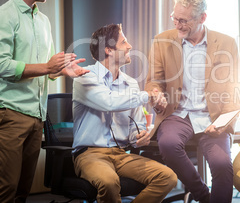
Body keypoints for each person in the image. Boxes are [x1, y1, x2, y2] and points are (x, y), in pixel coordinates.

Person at [0, 0, 89, 202]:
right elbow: (2, 65)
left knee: (22, 191)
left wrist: (63, 70)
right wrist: (48, 67)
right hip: (11, 114)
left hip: (36, 116)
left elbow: (48, 70)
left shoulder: (43, 21)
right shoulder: (5, 15)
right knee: (5, 188)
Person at [145, 0, 240, 203]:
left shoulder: (226, 44)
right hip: (178, 115)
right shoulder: (162, 41)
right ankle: (202, 196)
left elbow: (235, 90)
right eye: (175, 18)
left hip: (213, 117)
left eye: (184, 21)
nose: (177, 25)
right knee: (168, 145)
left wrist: (223, 122)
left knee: (222, 163)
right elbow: (153, 81)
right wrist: (155, 93)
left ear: (202, 18)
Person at [72, 23, 177, 203]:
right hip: (90, 154)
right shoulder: (85, 77)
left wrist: (139, 135)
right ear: (109, 50)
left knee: (167, 177)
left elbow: (135, 126)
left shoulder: (130, 84)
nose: (129, 46)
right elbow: (109, 102)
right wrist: (147, 95)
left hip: (121, 154)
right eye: (124, 42)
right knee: (109, 182)